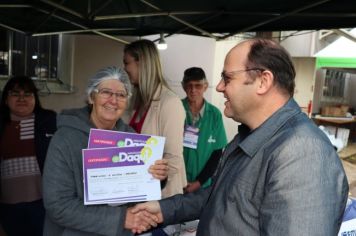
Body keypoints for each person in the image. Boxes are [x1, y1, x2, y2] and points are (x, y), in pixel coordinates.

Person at [131, 38, 349, 235]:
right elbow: (220, 196)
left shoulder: (302, 153)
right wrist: (163, 209)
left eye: (227, 78)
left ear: (263, 81)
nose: (219, 87)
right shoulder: (251, 134)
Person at [42, 66, 168, 236]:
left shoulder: (132, 138)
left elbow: (138, 193)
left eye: (121, 95)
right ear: (91, 97)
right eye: (106, 92)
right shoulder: (65, 139)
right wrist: (122, 219)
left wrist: (156, 177)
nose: (113, 100)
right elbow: (58, 205)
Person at [123, 39, 187, 198]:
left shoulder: (170, 102)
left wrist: (147, 185)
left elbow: (173, 160)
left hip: (161, 199)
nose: (124, 68)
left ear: (141, 63)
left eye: (126, 63)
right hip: (139, 194)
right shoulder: (138, 102)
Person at [0, 76, 57, 236]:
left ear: (35, 98)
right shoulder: (2, 125)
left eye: (28, 94)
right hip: (8, 206)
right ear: (5, 99)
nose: (22, 98)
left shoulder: (50, 121)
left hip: (44, 204)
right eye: (15, 94)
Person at [181, 67, 227, 193]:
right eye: (189, 85)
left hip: (202, 186)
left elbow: (217, 153)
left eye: (198, 86)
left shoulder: (215, 114)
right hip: (176, 183)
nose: (193, 90)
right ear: (183, 86)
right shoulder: (175, 109)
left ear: (205, 86)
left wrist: (199, 182)